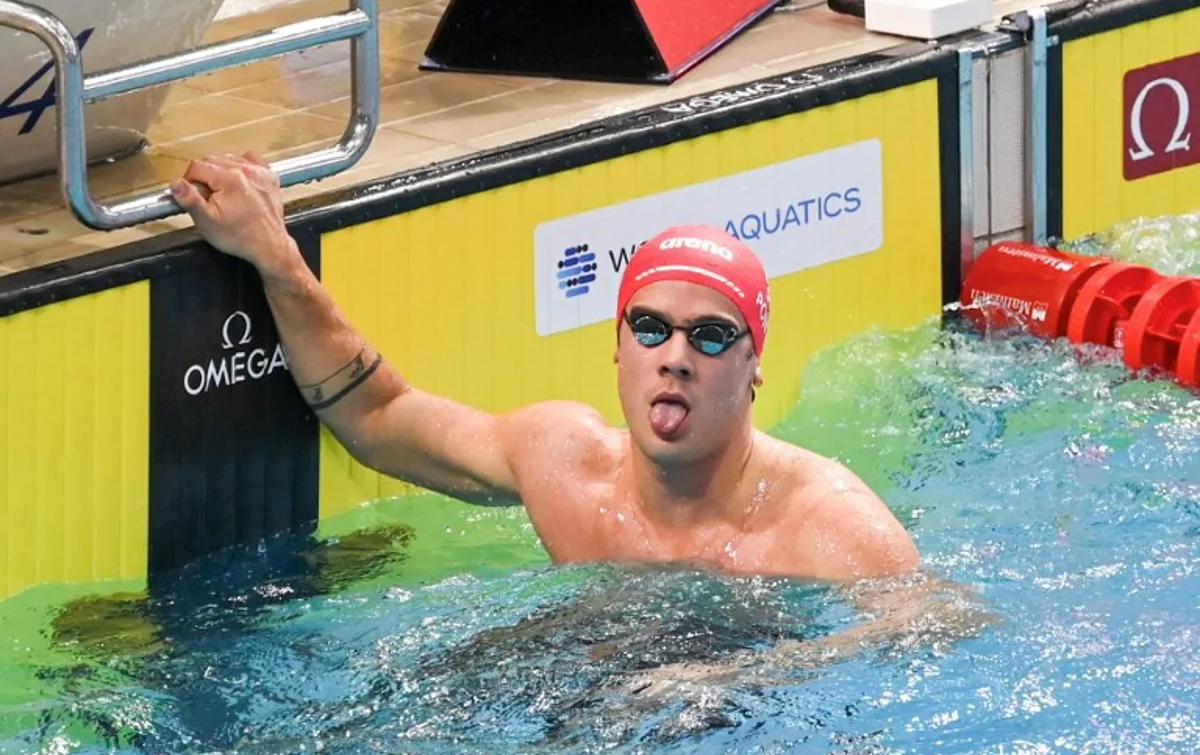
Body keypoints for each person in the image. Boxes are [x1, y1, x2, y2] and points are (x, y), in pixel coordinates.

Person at [168, 152, 921, 583]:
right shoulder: (563, 463)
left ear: (756, 365)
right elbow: (377, 416)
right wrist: (276, 257)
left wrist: (742, 676)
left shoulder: (829, 530)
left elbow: (941, 637)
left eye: (713, 337)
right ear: (618, 346)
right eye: (651, 328)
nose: (677, 358)